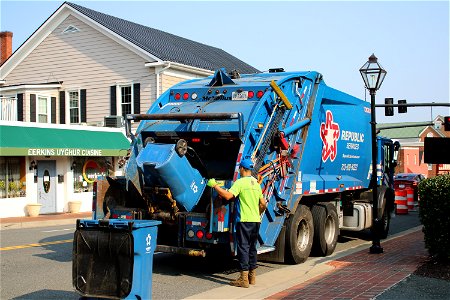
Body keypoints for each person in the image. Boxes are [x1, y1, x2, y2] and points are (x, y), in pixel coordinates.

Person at [207, 158, 267, 288]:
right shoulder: (256, 184)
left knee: (243, 248)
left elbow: (228, 196)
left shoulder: (240, 183)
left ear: (241, 169)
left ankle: (243, 279)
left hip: (244, 221)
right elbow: (263, 204)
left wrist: (215, 186)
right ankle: (252, 277)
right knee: (252, 248)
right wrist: (257, 212)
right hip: (256, 221)